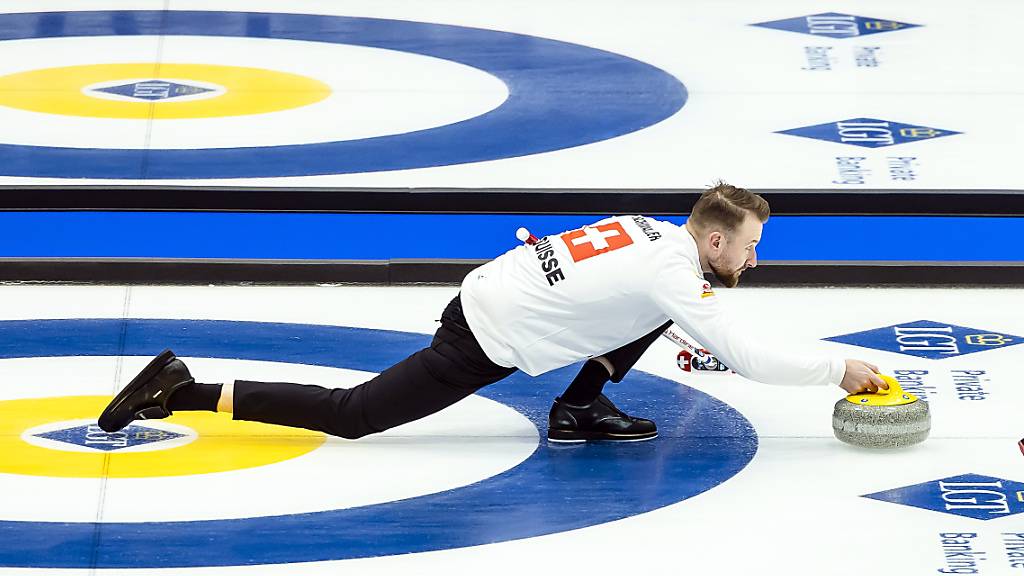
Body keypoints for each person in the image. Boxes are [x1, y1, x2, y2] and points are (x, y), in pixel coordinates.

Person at [98, 182, 888, 442]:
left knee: (655, 313)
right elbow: (745, 356)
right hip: (486, 332)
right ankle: (181, 388)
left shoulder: (660, 233)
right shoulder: (675, 273)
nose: (755, 259)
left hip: (497, 289)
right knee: (355, 415)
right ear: (715, 237)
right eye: (748, 247)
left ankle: (578, 409)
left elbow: (649, 298)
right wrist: (839, 369)